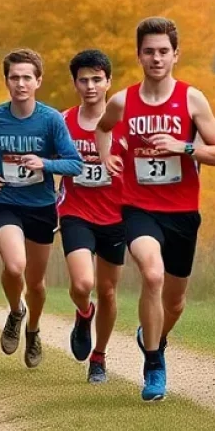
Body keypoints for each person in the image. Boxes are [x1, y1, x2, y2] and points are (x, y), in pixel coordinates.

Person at [96, 17, 215, 402]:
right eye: (149, 51)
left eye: (163, 51)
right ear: (139, 55)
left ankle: (152, 334)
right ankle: (154, 363)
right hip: (138, 207)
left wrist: (183, 146)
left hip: (183, 211)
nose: (156, 58)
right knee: (151, 275)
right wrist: (107, 158)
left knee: (174, 301)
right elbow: (103, 129)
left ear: (175, 55)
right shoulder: (123, 100)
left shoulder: (192, 99)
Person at [0, 49, 83, 369]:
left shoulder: (51, 120)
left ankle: (32, 328)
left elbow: (74, 163)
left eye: (26, 77)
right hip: (4, 201)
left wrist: (45, 163)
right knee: (14, 266)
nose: (20, 83)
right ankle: (15, 311)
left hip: (41, 206)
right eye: (14, 77)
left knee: (35, 283)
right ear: (6, 80)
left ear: (38, 81)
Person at [58, 49, 125, 384]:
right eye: (83, 80)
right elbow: (46, 161)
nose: (90, 86)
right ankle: (84, 312)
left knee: (109, 291)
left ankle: (99, 357)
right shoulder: (64, 121)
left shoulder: (124, 122)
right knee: (83, 283)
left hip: (115, 216)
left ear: (108, 82)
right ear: (75, 84)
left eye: (97, 79)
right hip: (75, 212)